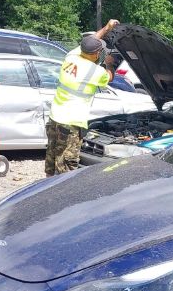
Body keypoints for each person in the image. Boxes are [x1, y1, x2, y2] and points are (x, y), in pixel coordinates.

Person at [45, 19, 120, 176]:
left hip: (55, 118)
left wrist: (107, 28)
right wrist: (110, 63)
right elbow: (110, 76)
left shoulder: (71, 57)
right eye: (100, 52)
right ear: (96, 54)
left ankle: (48, 188)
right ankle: (64, 195)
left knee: (52, 156)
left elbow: (90, 43)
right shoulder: (94, 72)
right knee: (67, 163)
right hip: (71, 123)